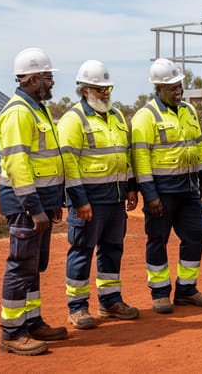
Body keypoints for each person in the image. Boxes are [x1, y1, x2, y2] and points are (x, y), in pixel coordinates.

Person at [0, 47, 68, 356]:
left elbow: (47, 162)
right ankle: (12, 333)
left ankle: (32, 321)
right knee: (20, 266)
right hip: (26, 205)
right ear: (34, 78)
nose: (52, 84)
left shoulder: (37, 109)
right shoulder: (18, 113)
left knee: (34, 267)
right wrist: (34, 208)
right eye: (49, 78)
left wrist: (52, 203)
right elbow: (18, 164)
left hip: (41, 203)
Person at [58, 60, 140, 330]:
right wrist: (79, 201)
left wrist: (130, 186)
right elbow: (68, 164)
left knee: (113, 250)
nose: (104, 93)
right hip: (89, 201)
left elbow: (124, 155)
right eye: (98, 88)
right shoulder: (73, 119)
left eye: (107, 88)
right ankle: (78, 308)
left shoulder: (116, 116)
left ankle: (110, 301)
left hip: (115, 199)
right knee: (82, 251)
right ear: (84, 90)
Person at [131, 58, 202, 314]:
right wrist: (150, 195)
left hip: (188, 189)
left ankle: (186, 289)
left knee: (196, 234)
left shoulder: (188, 111)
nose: (178, 91)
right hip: (162, 192)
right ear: (158, 89)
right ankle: (159, 294)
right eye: (172, 88)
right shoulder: (145, 117)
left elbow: (198, 145)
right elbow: (140, 158)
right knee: (158, 239)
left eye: (180, 86)